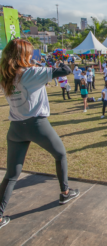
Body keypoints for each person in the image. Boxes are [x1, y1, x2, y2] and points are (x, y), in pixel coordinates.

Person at [0, 39, 79, 229]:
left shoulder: (5, 76)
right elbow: (67, 70)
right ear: (24, 56)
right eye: (30, 53)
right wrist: (58, 59)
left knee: (12, 174)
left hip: (15, 128)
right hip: (36, 124)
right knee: (60, 154)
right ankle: (65, 193)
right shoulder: (32, 73)